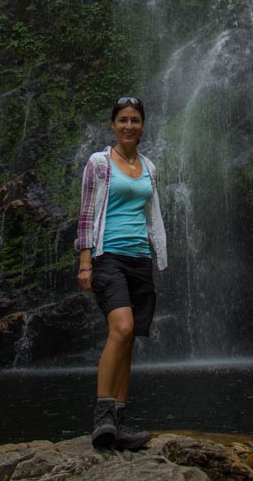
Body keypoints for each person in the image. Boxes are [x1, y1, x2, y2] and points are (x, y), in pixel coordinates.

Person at [76, 95, 167, 451]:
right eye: (123, 120)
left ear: (142, 126)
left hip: (139, 258)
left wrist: (158, 254)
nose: (129, 126)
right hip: (106, 256)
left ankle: (120, 422)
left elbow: (149, 214)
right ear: (113, 125)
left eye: (135, 120)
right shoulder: (99, 163)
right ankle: (102, 418)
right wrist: (85, 262)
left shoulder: (149, 167)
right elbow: (86, 213)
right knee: (122, 328)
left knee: (129, 341)